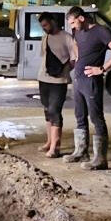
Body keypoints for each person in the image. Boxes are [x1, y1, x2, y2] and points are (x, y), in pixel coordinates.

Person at [63, 6, 111, 170]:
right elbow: (76, 45)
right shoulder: (78, 31)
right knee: (80, 116)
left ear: (82, 18)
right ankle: (81, 152)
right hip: (78, 80)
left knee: (96, 118)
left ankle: (100, 159)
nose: (72, 27)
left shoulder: (101, 31)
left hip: (91, 81)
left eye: (74, 22)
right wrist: (76, 60)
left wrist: (102, 69)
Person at [36, 13, 76, 158]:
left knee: (55, 111)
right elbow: (44, 57)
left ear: (53, 22)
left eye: (46, 25)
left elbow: (74, 58)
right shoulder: (45, 38)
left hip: (59, 82)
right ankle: (49, 142)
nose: (44, 28)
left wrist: (64, 71)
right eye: (42, 26)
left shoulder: (67, 38)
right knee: (47, 110)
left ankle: (55, 147)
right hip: (44, 79)